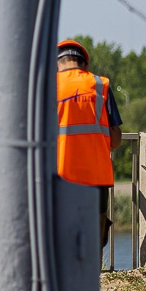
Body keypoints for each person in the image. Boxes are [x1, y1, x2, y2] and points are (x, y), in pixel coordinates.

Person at [56, 39, 123, 249]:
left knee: (60, 239)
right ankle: (89, 279)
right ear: (84, 64)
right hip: (97, 178)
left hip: (60, 177)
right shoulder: (100, 85)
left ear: (57, 64)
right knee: (93, 240)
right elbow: (116, 139)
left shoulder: (46, 87)